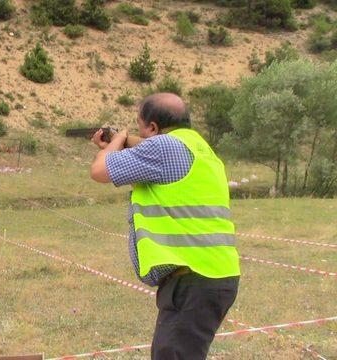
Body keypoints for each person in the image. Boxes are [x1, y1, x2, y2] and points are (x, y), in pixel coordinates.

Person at [89, 93, 241, 360]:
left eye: (140, 127)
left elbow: (100, 171)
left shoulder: (163, 147)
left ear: (153, 128)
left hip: (193, 278)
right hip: (213, 274)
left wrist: (116, 141)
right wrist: (122, 143)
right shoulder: (202, 149)